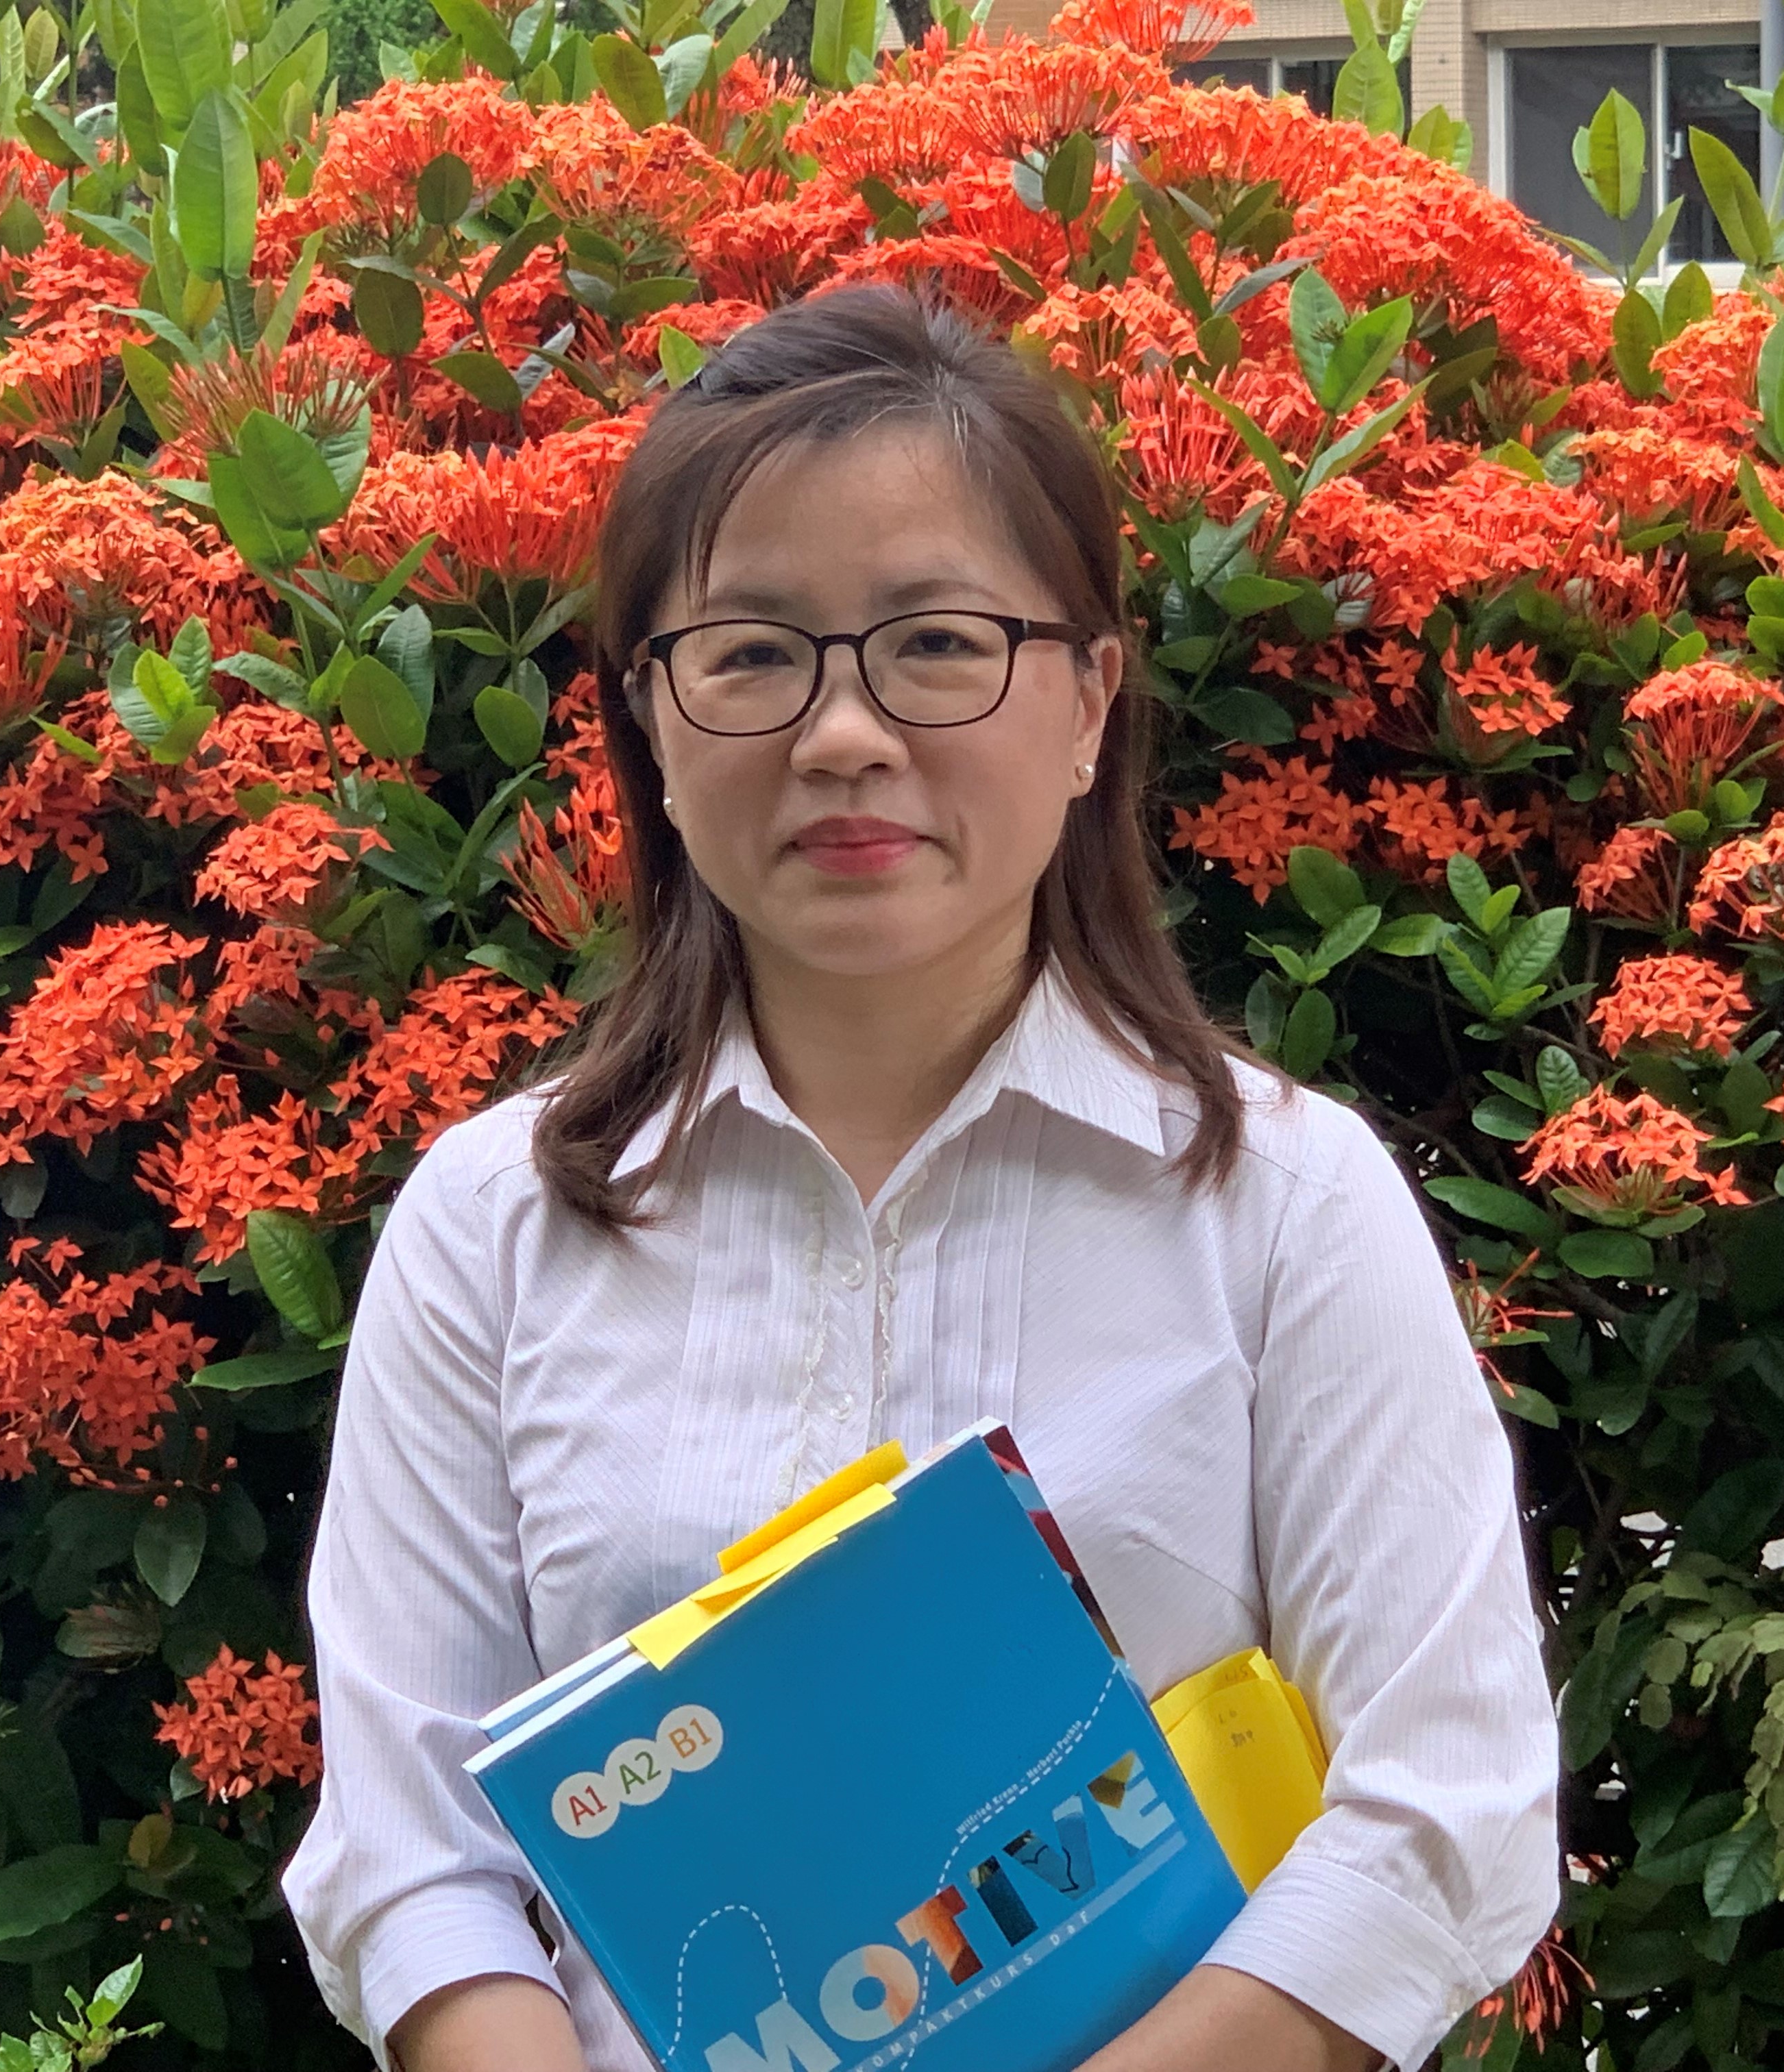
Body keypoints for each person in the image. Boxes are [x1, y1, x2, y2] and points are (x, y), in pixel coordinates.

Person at [280, 284, 1561, 2072]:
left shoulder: (1284, 1208)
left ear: (1090, 698)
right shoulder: (494, 1232)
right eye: (750, 654)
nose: (842, 734)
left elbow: (1443, 1811)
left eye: (938, 642)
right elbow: (414, 1856)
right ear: (650, 721)